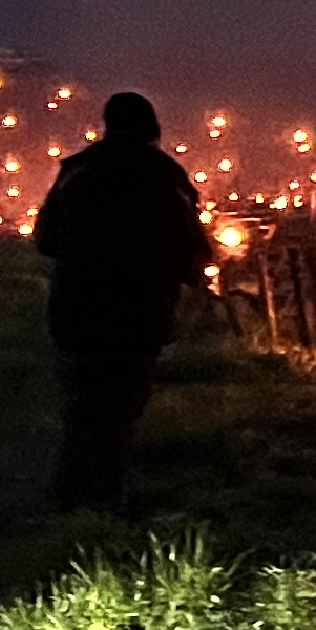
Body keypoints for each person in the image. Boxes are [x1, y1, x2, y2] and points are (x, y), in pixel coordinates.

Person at [32, 90, 211, 509]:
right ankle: (103, 511)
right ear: (153, 130)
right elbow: (194, 253)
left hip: (76, 314)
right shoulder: (166, 177)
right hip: (139, 316)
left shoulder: (77, 171)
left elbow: (46, 240)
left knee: (79, 417)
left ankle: (66, 509)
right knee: (118, 419)